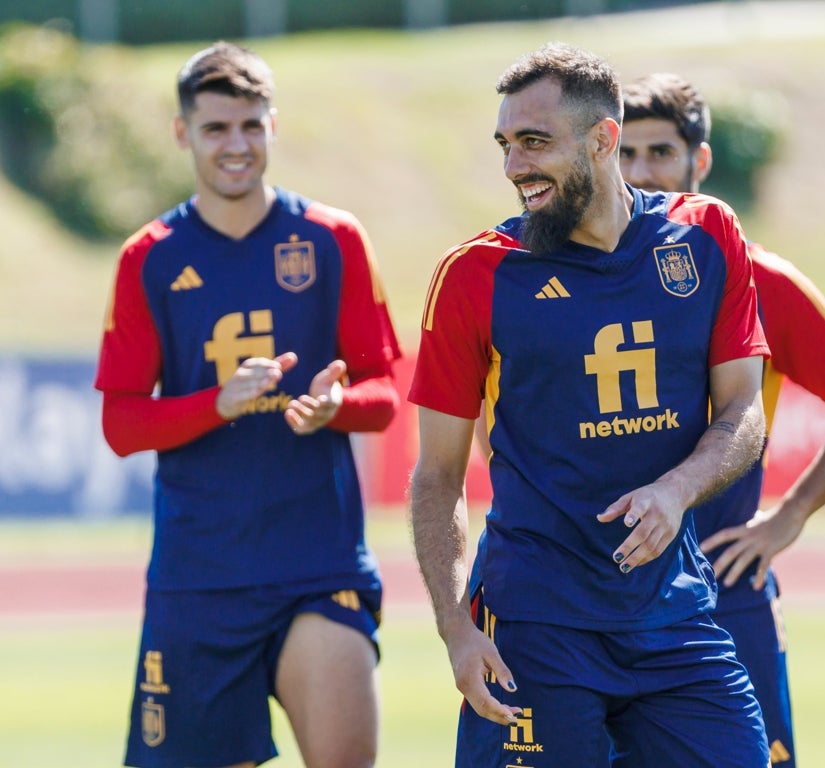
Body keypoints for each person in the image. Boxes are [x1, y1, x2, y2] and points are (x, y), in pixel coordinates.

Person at [407, 42, 771, 767]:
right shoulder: (474, 274)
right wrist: (454, 627)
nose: (514, 167)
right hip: (533, 627)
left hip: (672, 615)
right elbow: (437, 476)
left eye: (534, 143)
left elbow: (744, 412)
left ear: (603, 140)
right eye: (506, 145)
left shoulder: (706, 235)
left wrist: (677, 490)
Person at [94, 41, 401, 768]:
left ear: (273, 125)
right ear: (183, 133)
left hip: (317, 565)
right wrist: (217, 404)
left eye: (251, 126)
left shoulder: (332, 237)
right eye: (216, 128)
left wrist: (336, 407)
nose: (236, 145)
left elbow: (386, 398)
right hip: (198, 577)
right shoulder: (149, 256)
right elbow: (121, 425)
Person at [618, 72, 825, 767]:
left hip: (724, 588)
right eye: (625, 153)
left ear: (700, 160)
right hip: (606, 593)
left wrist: (790, 515)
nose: (641, 173)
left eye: (660, 152)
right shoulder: (580, 279)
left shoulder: (759, 278)